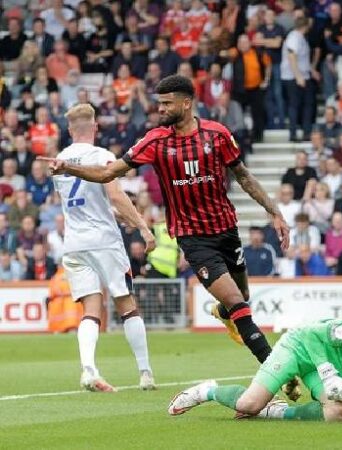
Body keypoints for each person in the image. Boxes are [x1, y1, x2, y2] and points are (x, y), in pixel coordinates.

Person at [40, 76, 293, 382]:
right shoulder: (155, 140)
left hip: (226, 229)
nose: (160, 108)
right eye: (159, 103)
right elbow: (109, 173)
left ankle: (225, 314)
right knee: (238, 303)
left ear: (186, 103)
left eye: (166, 103)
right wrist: (68, 168)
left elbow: (243, 175)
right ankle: (278, 371)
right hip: (192, 237)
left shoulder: (218, 134)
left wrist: (274, 212)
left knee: (241, 297)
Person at [40, 103, 156, 392]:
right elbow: (114, 196)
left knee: (91, 310)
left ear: (69, 130)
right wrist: (142, 226)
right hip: (104, 240)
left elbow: (81, 204)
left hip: (75, 243)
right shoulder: (102, 156)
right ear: (95, 127)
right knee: (127, 305)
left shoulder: (60, 160)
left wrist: (118, 214)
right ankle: (145, 373)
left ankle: (89, 370)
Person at [168, 318, 342, 424]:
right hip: (300, 347)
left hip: (328, 371)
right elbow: (312, 333)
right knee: (248, 404)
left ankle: (277, 411)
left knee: (339, 413)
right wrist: (328, 373)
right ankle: (206, 391)